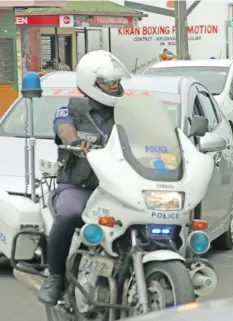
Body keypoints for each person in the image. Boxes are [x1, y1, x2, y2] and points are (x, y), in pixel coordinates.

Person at [38, 50, 131, 306]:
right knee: (68, 214)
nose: (115, 87)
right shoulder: (70, 110)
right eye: (108, 83)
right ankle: (55, 277)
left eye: (116, 82)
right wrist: (76, 141)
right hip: (79, 186)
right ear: (91, 82)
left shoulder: (127, 112)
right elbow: (64, 130)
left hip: (119, 189)